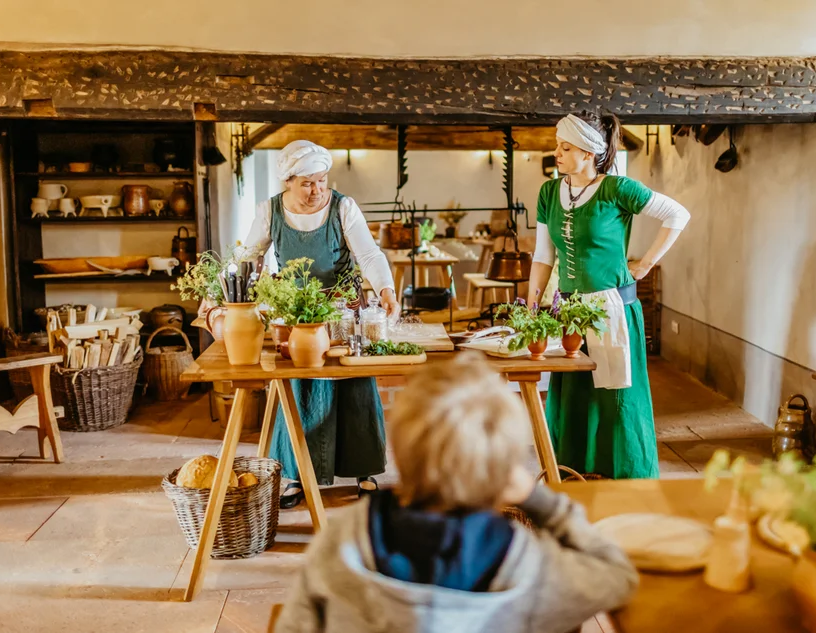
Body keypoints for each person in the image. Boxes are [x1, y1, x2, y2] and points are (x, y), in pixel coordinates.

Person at [273, 353, 639, 633]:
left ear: (398, 452)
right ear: (505, 473)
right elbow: (619, 576)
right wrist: (537, 498)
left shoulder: (342, 539)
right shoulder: (526, 564)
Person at [526, 112, 691, 480]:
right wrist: (533, 307)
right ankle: (570, 474)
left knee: (617, 402)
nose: (557, 153)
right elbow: (542, 256)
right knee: (573, 399)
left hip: (612, 309)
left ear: (588, 153)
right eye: (558, 146)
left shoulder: (617, 189)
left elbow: (677, 215)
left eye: (565, 148)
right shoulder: (550, 193)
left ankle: (624, 480)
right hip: (568, 312)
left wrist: (646, 264)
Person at [242, 140, 401, 508]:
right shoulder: (270, 212)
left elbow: (368, 253)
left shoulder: (343, 207)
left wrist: (386, 289)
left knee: (354, 387)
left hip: (342, 312)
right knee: (299, 391)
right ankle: (297, 476)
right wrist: (235, 297)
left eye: (322, 181)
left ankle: (364, 470)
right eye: (307, 183)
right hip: (297, 317)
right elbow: (248, 258)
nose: (316, 190)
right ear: (288, 182)